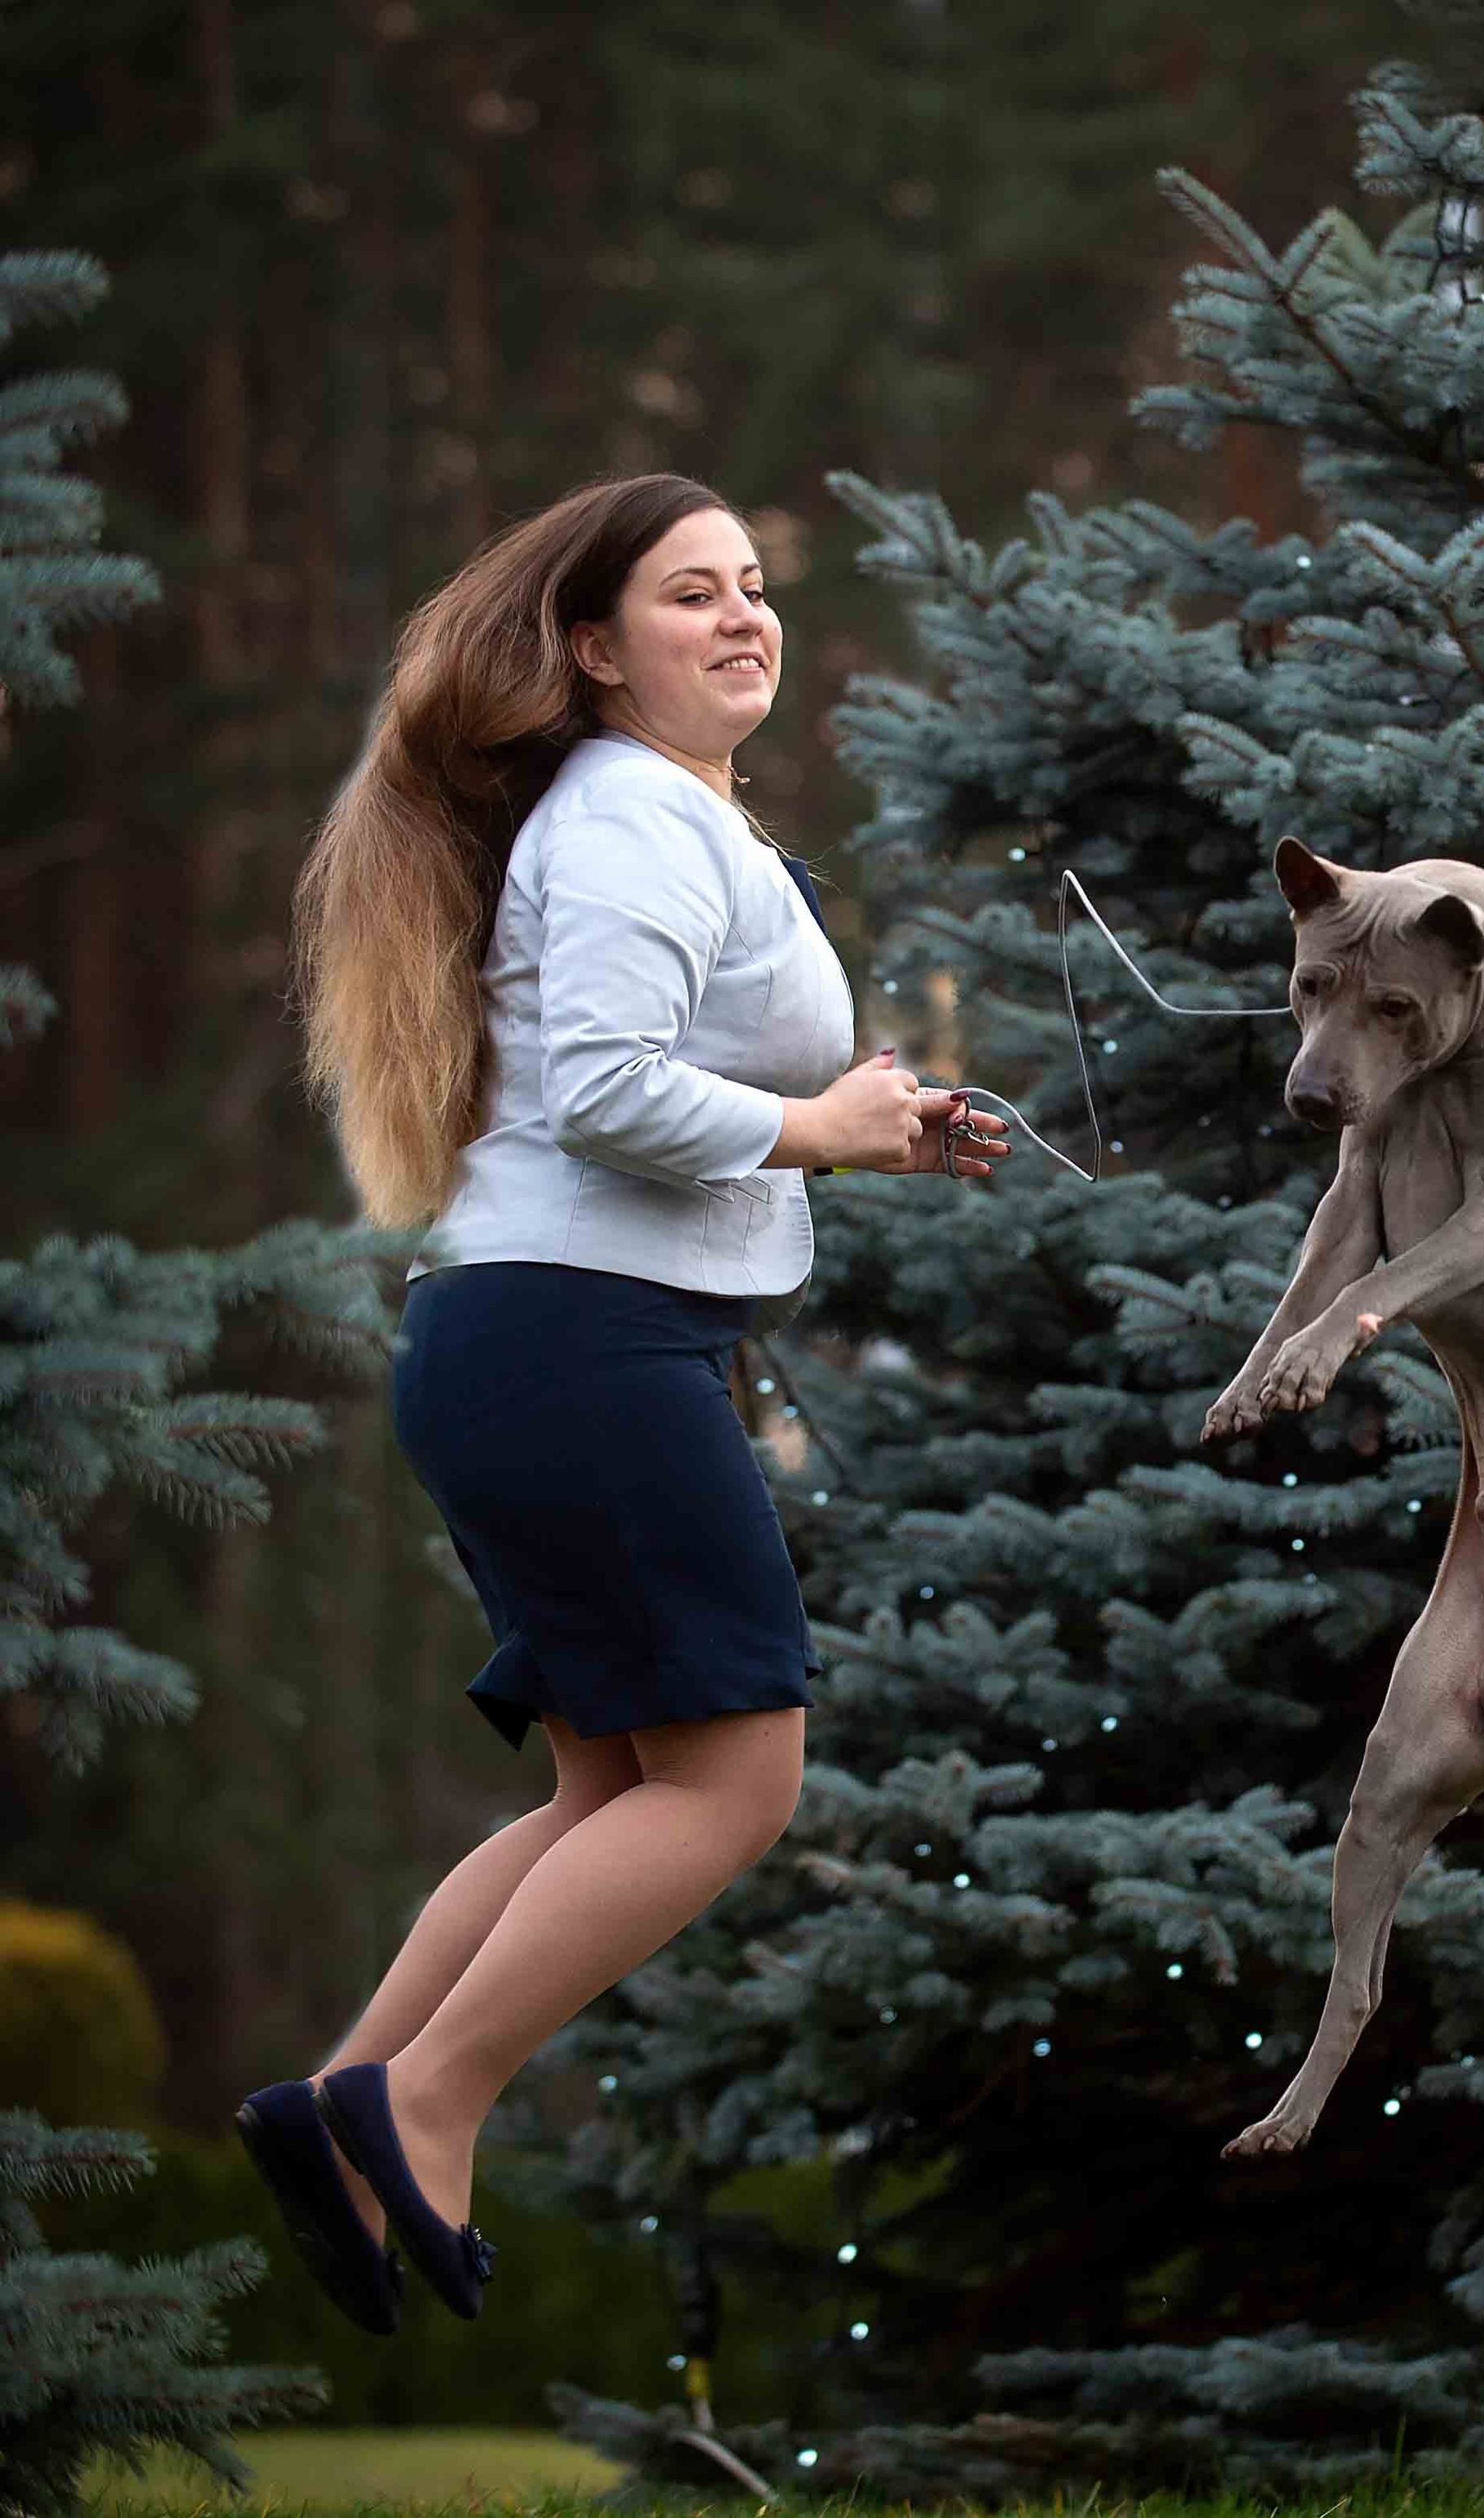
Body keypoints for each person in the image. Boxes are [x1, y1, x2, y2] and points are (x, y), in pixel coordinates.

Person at [236, 473, 1010, 2331]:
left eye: (753, 588)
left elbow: (670, 1083)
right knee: (739, 1781)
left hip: (544, 1338)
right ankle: (422, 2099)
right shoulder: (634, 819)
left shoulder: (658, 820)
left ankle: (342, 2107)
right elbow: (602, 1086)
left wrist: (858, 1129)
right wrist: (816, 1124)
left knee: (614, 1784)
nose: (743, 615)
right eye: (688, 594)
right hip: (579, 1340)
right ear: (593, 649)